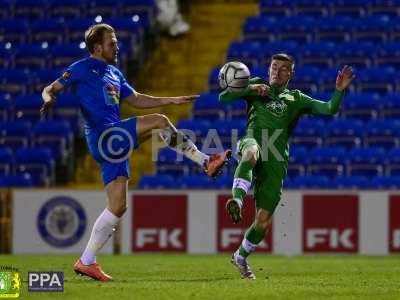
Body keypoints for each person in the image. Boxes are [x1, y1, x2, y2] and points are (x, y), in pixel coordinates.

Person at [41, 23, 231, 282]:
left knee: (118, 207)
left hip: (114, 146)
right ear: (97, 48)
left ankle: (86, 261)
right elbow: (51, 88)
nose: (116, 46)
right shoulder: (81, 68)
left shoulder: (115, 74)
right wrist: (48, 98)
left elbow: (137, 99)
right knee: (160, 123)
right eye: (112, 42)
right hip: (104, 136)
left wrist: (171, 100)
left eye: (116, 41)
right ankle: (206, 161)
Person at [219, 53, 355, 280]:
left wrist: (339, 90)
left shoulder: (297, 99)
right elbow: (223, 98)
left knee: (262, 223)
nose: (276, 71)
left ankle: (240, 257)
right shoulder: (256, 85)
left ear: (291, 74)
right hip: (253, 140)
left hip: (277, 158)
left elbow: (329, 108)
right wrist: (251, 90)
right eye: (274, 67)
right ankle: (237, 200)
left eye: (283, 69)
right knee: (250, 153)